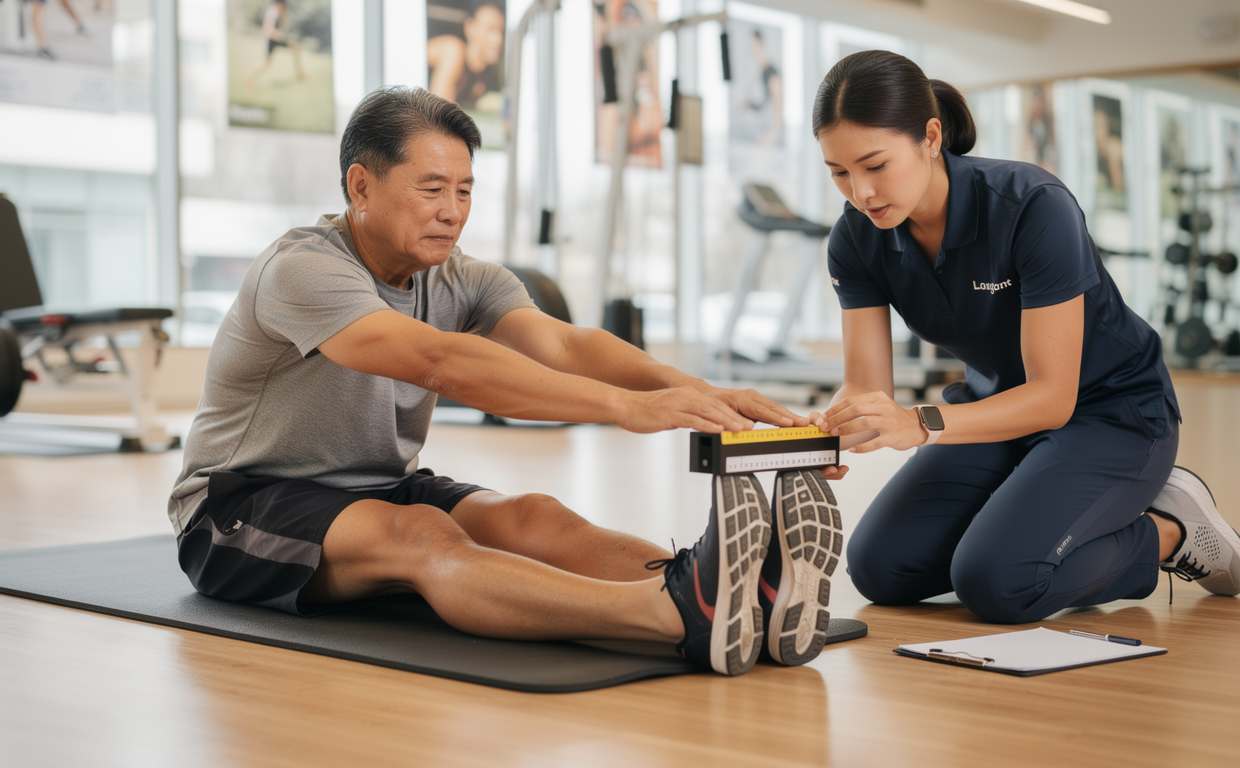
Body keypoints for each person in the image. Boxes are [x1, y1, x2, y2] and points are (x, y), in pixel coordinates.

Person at [168, 86, 843, 675]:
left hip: (379, 485)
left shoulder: (462, 275)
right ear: (360, 186)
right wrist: (624, 407)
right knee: (423, 536)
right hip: (239, 508)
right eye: (431, 189)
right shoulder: (303, 270)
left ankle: (741, 594)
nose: (452, 210)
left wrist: (692, 390)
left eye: (464, 190)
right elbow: (439, 360)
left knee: (533, 515)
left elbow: (562, 343)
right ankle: (676, 615)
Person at [807, 50, 1240, 624]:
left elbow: (1053, 396)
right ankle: (1028, 521)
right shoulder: (855, 238)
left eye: (875, 165)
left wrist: (919, 424)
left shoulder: (1032, 205)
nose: (860, 193)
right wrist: (831, 432)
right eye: (840, 173)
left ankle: (1166, 531)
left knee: (998, 584)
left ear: (930, 137)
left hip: (1108, 414)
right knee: (881, 569)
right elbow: (865, 385)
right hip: (994, 414)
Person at [426, 2, 505, 110]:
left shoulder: (482, 79)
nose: (498, 39)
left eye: (501, 31)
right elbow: (438, 116)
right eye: (490, 29)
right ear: (470, 27)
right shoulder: (453, 51)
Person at [244, 0, 307, 92]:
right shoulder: (272, 12)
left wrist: (283, 17)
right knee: (265, 64)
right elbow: (267, 29)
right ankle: (249, 81)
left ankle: (300, 75)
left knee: (295, 47)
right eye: (284, 4)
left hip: (276, 39)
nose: (286, 6)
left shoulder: (279, 11)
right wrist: (278, 34)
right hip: (270, 40)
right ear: (280, 3)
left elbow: (284, 24)